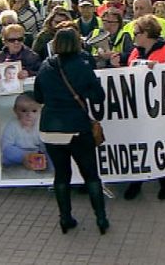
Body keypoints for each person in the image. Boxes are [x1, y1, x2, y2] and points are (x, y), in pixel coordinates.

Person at [33, 27, 109, 235]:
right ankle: (101, 219)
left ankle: (65, 218)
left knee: (61, 176)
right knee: (91, 176)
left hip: (50, 128)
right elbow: (98, 97)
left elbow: (38, 97)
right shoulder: (82, 65)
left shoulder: (45, 66)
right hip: (76, 127)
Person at [112, 15, 165, 200]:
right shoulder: (135, 52)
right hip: (138, 108)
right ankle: (137, 180)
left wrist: (158, 70)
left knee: (162, 146)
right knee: (138, 145)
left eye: (136, 33)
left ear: (147, 33)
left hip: (160, 110)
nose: (133, 37)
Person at [1, 94, 47, 169]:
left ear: (40, 111)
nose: (29, 114)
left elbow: (46, 144)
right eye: (24, 111)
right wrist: (23, 156)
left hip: (38, 154)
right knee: (6, 158)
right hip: (18, 154)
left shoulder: (42, 125)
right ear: (15, 110)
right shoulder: (12, 126)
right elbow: (6, 147)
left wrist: (42, 154)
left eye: (34, 111)